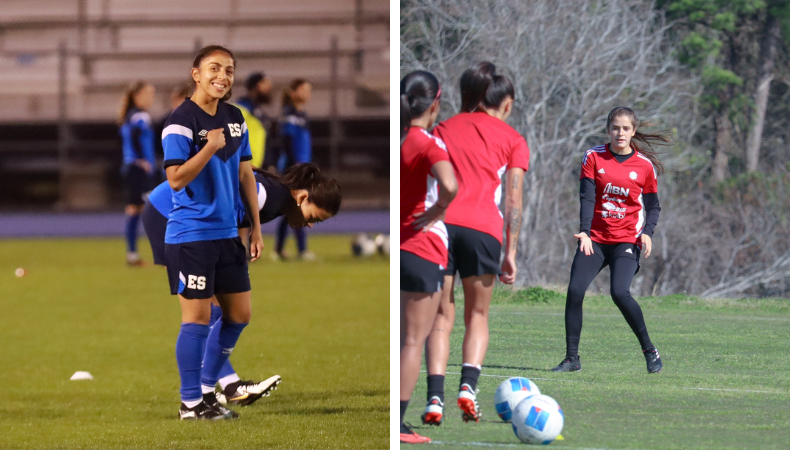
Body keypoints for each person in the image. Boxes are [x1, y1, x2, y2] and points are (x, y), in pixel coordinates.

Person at [141, 163, 341, 405]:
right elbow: (226, 200)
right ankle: (207, 394)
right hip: (169, 213)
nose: (310, 225)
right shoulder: (270, 195)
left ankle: (227, 386)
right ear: (303, 197)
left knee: (224, 311)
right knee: (203, 311)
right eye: (314, 218)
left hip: (192, 221)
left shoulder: (278, 198)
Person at [422, 62, 529, 425]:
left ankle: (434, 399)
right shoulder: (513, 140)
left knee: (441, 315)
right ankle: (467, 389)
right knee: (477, 315)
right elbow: (513, 201)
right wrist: (510, 252)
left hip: (441, 227)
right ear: (507, 104)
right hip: (483, 231)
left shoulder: (443, 128)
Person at [162, 44, 263, 420]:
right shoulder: (180, 120)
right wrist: (208, 148)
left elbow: (245, 173)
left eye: (229, 71)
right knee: (197, 320)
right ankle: (191, 403)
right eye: (214, 69)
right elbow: (174, 179)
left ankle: (208, 388)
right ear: (196, 74)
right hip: (191, 234)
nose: (223, 76)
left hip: (226, 234)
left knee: (240, 314)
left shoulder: (236, 117)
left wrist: (254, 227)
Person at [551, 106, 666, 374]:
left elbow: (654, 207)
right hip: (596, 239)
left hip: (627, 240)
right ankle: (572, 359)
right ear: (608, 129)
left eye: (626, 128)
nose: (620, 133)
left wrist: (647, 233)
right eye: (615, 127)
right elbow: (587, 197)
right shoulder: (593, 157)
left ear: (633, 131)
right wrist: (585, 231)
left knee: (619, 292)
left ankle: (649, 349)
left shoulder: (645, 166)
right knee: (576, 290)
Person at [399, 71, 458, 444]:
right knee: (413, 340)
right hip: (423, 247)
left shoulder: (400, 139)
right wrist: (438, 209)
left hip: (401, 248)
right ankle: (399, 424)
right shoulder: (428, 143)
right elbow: (450, 185)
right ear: (434, 103)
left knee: (403, 336)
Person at [273, 78, 315, 261]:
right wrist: (295, 169)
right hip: (293, 168)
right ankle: (301, 250)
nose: (308, 94)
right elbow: (286, 143)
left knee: (291, 209)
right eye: (304, 90)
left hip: (301, 167)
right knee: (298, 207)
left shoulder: (301, 115)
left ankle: (280, 250)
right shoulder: (289, 115)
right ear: (293, 92)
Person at [119, 80, 157, 266]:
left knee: (136, 209)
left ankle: (132, 254)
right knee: (150, 209)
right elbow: (135, 137)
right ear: (138, 96)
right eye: (149, 94)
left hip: (131, 168)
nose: (152, 98)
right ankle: (162, 254)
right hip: (139, 169)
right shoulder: (141, 116)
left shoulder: (129, 115)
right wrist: (143, 160)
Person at [234, 72, 274, 168]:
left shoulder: (260, 114)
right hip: (242, 168)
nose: (269, 88)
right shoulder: (239, 109)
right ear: (257, 85)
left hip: (257, 168)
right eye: (265, 84)